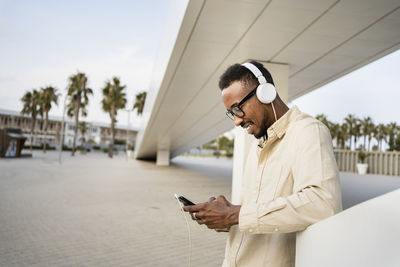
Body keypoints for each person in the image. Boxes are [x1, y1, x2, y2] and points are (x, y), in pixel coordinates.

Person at [183, 61, 342, 267]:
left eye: (237, 108)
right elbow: (254, 213)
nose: (237, 121)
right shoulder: (258, 146)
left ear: (265, 93)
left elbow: (322, 203)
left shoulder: (308, 131)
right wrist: (223, 216)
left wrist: (235, 214)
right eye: (231, 113)